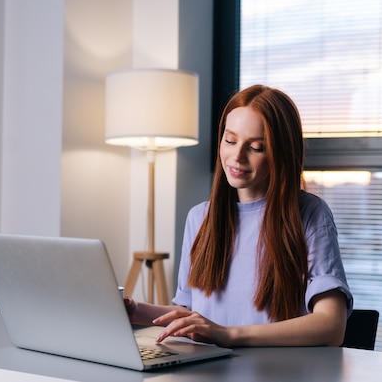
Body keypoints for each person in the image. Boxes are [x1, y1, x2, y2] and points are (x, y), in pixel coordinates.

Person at [124, 84, 353, 348]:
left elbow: (331, 326)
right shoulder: (200, 218)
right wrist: (134, 310)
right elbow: (192, 317)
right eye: (230, 140)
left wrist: (229, 335)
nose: (237, 156)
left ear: (281, 154)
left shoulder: (310, 214)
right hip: (211, 372)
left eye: (256, 147)